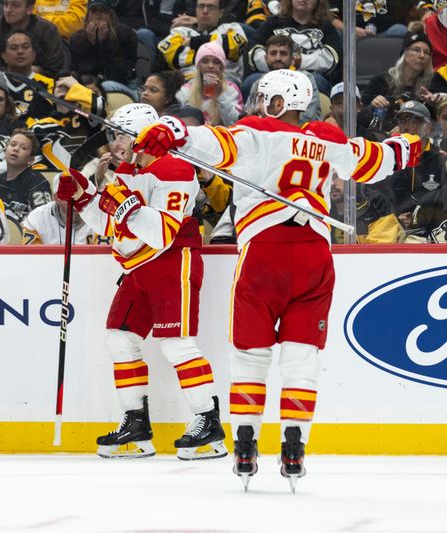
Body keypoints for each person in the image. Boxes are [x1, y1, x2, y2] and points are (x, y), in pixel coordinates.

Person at [132, 69, 421, 487]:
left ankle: (246, 443)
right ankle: (294, 444)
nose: (257, 106)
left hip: (264, 255)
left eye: (263, 99)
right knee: (302, 359)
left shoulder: (258, 132)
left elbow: (210, 142)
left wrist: (172, 130)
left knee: (250, 356)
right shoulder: (326, 137)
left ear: (277, 102)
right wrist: (404, 147)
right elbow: (368, 161)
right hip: (315, 257)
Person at [56, 103, 227, 460]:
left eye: (121, 135)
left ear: (142, 136)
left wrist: (124, 205)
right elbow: (111, 227)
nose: (114, 143)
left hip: (172, 262)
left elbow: (162, 233)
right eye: (112, 135)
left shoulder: (175, 168)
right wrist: (84, 197)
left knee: (176, 345)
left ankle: (209, 425)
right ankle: (136, 425)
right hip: (136, 267)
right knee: (120, 339)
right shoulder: (128, 171)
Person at [246, 0, 341, 94]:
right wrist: (278, 64)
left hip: (311, 76)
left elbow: (332, 57)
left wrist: (298, 62)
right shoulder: (273, 23)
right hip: (273, 73)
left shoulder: (326, 26)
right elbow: (254, 50)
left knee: (317, 81)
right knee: (251, 81)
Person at [384, 100, 445, 228]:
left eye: (414, 122)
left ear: (427, 127)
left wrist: (420, 217)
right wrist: (394, 218)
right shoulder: (388, 158)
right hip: (393, 228)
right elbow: (379, 196)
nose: (407, 127)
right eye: (402, 121)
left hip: (430, 230)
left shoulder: (440, 161)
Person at [157, 0, 248, 83]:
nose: (205, 11)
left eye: (210, 7)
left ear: (220, 13)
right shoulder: (181, 32)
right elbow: (171, 55)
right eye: (201, 6)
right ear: (196, 10)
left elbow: (231, 47)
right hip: (187, 82)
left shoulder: (232, 28)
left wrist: (193, 43)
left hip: (224, 82)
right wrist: (217, 52)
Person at [361, 32, 434, 132]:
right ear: (404, 53)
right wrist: (372, 107)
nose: (422, 56)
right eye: (416, 50)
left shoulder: (430, 86)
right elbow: (360, 116)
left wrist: (434, 104)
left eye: (426, 52)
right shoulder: (381, 81)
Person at [68, 0, 139, 98]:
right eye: (94, 12)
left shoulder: (127, 35)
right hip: (88, 82)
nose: (98, 16)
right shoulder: (77, 38)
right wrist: (91, 43)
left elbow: (122, 71)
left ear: (111, 15)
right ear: (88, 15)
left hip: (123, 83)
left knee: (106, 86)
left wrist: (102, 43)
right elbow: (77, 68)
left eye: (103, 11)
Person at [244, 34, 321, 123]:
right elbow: (249, 113)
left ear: (292, 59)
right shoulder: (260, 82)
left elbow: (306, 118)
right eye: (273, 53)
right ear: (266, 58)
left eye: (283, 53)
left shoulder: (305, 79)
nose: (278, 58)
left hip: (300, 133)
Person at [0, 0, 64, 76]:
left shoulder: (47, 30)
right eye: (5, 4)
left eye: (15, 5)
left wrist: (29, 72)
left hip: (40, 84)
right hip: (1, 83)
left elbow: (55, 69)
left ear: (30, 9)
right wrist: (23, 71)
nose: (8, 10)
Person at [0, 129, 51, 221]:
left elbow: (44, 219)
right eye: (13, 145)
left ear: (31, 160)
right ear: (5, 152)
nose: (16, 149)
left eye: (23, 148)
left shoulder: (38, 183)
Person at [177, 41, 243, 126]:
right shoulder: (185, 90)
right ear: (198, 66)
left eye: (216, 62)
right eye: (205, 61)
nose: (210, 66)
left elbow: (235, 123)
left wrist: (221, 96)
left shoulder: (231, 89)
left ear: (222, 67)